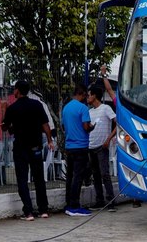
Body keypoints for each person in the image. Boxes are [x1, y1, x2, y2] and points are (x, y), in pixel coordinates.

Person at [2, 80, 54, 221]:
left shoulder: (12, 108)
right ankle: (43, 210)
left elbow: (5, 127)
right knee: (38, 178)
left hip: (20, 148)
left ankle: (29, 212)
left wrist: (4, 110)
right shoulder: (37, 105)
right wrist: (49, 140)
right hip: (35, 146)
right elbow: (45, 124)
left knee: (22, 180)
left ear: (17, 90)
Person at [101, 65, 141, 208]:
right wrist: (104, 75)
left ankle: (137, 196)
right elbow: (110, 90)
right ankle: (133, 195)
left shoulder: (139, 106)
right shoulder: (121, 103)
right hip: (124, 139)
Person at [62, 84, 95, 216]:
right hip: (81, 146)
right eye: (85, 96)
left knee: (70, 176)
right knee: (78, 177)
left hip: (69, 146)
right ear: (81, 94)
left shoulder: (66, 108)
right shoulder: (83, 108)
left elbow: (64, 126)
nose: (86, 98)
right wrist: (92, 127)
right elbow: (86, 127)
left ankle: (68, 203)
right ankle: (75, 206)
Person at [87, 85, 117, 212]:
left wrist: (108, 139)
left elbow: (118, 122)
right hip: (91, 145)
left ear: (94, 96)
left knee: (104, 173)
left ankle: (111, 201)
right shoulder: (89, 112)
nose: (87, 97)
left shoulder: (106, 108)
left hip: (102, 146)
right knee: (96, 174)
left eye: (89, 95)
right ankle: (100, 200)